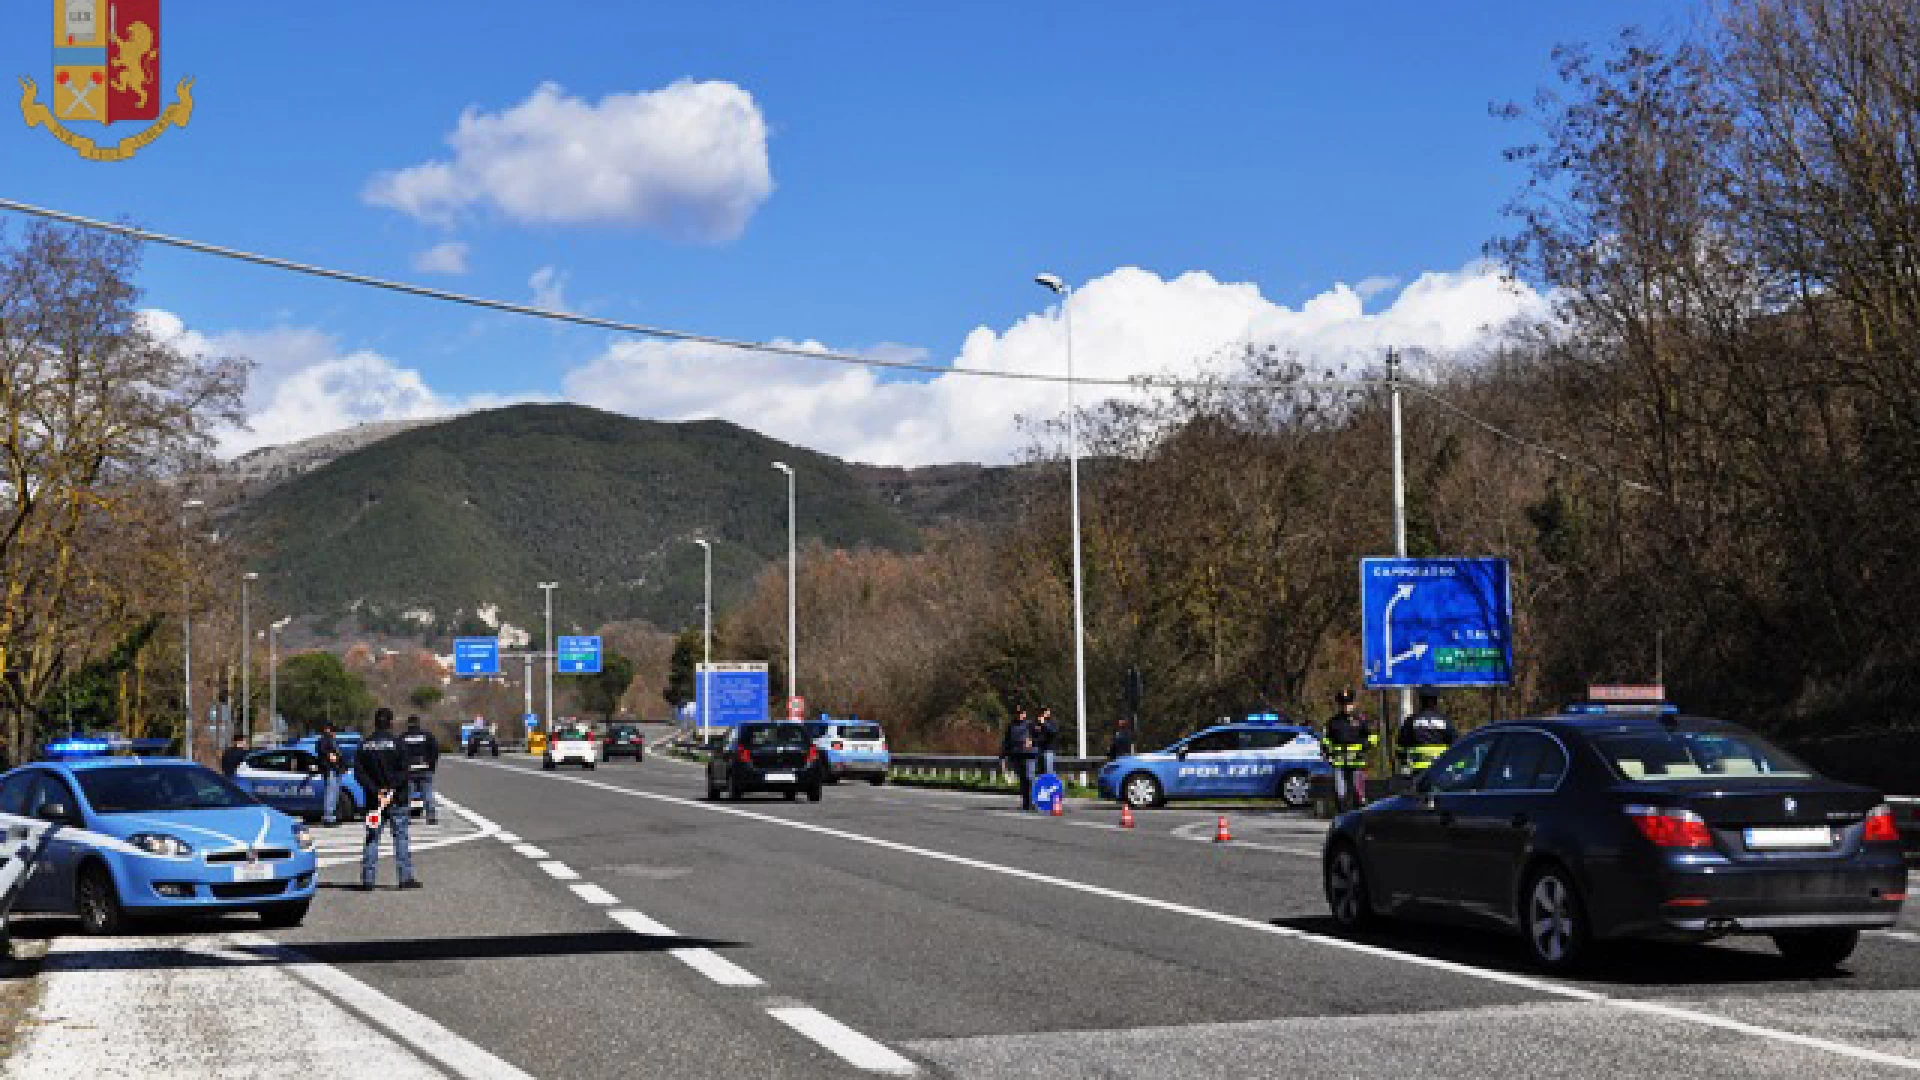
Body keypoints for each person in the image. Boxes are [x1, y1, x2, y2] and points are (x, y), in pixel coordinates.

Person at [354, 708, 419, 891]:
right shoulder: (398, 744)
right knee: (401, 837)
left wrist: (376, 791)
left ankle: (368, 879)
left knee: (372, 838)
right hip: (397, 798)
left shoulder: (364, 745)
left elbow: (359, 774)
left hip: (374, 802)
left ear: (375, 723)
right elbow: (405, 771)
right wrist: (390, 788)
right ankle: (405, 878)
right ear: (390, 723)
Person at [1323, 689, 1376, 812]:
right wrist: (1328, 753)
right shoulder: (1333, 722)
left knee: (1358, 792)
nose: (1346, 707)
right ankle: (1342, 815)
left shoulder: (1361, 721)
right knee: (1340, 792)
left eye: (1348, 704)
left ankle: (1358, 816)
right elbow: (1326, 740)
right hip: (1339, 762)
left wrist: (1365, 746)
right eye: (1343, 704)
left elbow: (1372, 737)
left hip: (1356, 762)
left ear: (1353, 704)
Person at [1396, 692, 1457, 779]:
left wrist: (1404, 763)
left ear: (1421, 702)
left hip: (1418, 770)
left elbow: (1400, 746)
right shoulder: (1444, 721)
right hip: (1440, 768)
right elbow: (1455, 743)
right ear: (1435, 701)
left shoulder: (1411, 721)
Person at [401, 714, 441, 825]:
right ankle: (431, 816)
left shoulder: (403, 737)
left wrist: (401, 768)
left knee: (408, 794)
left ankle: (405, 818)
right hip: (425, 769)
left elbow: (398, 754)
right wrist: (431, 765)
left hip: (409, 770)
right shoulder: (427, 736)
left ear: (408, 724)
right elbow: (435, 751)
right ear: (418, 723)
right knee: (427, 793)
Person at [1001, 708, 1039, 813]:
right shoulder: (1011, 726)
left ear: (1025, 714)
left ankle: (1033, 802)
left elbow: (1040, 737)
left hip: (1029, 755)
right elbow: (1006, 742)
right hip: (1017, 755)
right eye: (1017, 713)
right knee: (1023, 780)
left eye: (1021, 713)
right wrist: (1003, 756)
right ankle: (1025, 803)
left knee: (1029, 777)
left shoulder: (1030, 725)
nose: (1020, 715)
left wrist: (1032, 741)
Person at [316, 722, 347, 826]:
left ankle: (332, 816)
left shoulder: (331, 740)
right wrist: (330, 756)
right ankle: (328, 818)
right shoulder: (325, 739)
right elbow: (325, 752)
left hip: (335, 769)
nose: (335, 733)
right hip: (331, 769)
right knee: (331, 794)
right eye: (333, 730)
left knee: (334, 794)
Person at [1033, 708, 1059, 777]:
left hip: (1049, 750)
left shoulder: (1052, 721)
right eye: (1044, 712)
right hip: (1039, 749)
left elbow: (1053, 732)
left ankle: (1051, 785)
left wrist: (1044, 723)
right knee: (1039, 771)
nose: (1046, 713)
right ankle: (1041, 785)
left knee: (1049, 770)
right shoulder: (1036, 723)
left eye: (1047, 711)